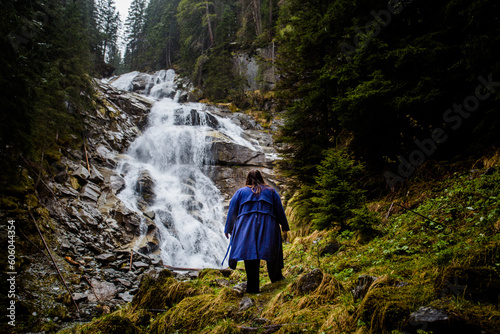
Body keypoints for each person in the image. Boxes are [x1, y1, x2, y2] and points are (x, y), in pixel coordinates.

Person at [222, 170, 290, 293]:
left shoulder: (240, 192)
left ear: (248, 179)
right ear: (261, 178)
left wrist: (228, 229)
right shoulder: (271, 191)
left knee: (250, 255)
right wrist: (284, 226)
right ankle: (277, 280)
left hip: (246, 227)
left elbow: (232, 212)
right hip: (268, 226)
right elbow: (280, 210)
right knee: (272, 252)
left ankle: (253, 288)